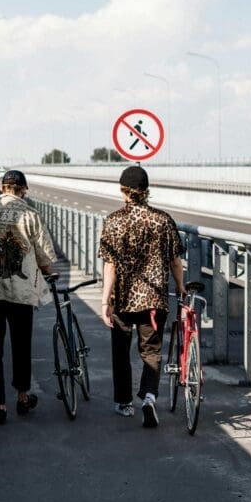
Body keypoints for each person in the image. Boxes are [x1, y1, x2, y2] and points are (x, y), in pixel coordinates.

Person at [0, 170, 57, 424]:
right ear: (23, 189)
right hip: (21, 293)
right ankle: (23, 397)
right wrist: (50, 272)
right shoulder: (30, 214)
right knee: (21, 344)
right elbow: (43, 256)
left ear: (3, 188)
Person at [98, 165, 185, 428]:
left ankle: (124, 403)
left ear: (123, 191)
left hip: (123, 299)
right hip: (154, 299)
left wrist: (105, 301)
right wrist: (180, 285)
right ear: (147, 191)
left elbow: (110, 265)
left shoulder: (113, 221)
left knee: (121, 350)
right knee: (151, 351)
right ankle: (148, 397)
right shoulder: (163, 220)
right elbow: (175, 261)